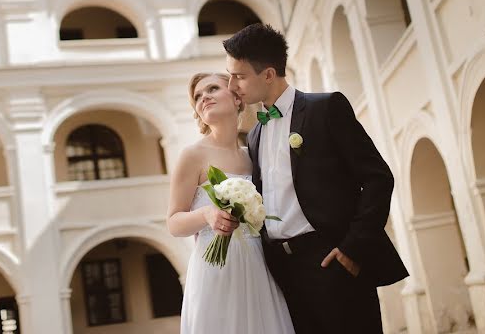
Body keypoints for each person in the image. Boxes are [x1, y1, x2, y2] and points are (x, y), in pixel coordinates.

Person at [223, 23, 408, 333]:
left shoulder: (326, 108)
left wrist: (352, 248)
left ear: (268, 74)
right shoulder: (254, 134)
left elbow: (377, 178)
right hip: (281, 272)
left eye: (239, 76)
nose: (231, 85)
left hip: (331, 261)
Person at [167, 72, 295, 333]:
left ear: (237, 98)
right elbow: (174, 223)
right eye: (198, 97)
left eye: (212, 89)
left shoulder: (254, 155)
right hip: (215, 271)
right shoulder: (192, 155)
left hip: (260, 267)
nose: (204, 98)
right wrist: (207, 214)